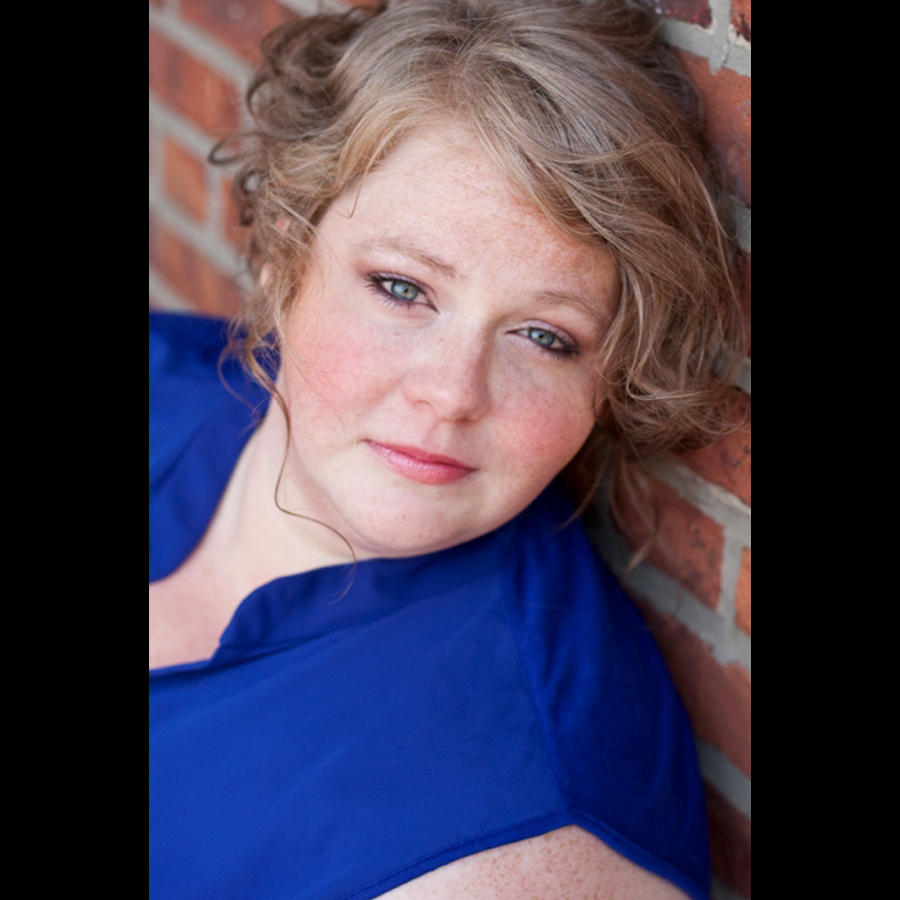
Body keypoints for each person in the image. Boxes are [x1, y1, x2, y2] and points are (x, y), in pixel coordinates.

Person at [149, 1, 745, 898]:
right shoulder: (171, 381)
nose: (454, 393)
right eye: (402, 288)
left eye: (546, 337)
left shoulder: (510, 840)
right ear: (284, 253)